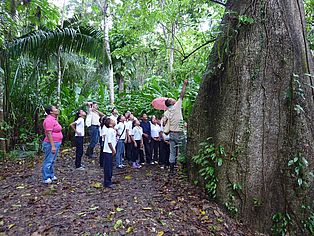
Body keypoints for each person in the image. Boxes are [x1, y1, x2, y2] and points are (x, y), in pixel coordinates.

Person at [163, 79, 188, 174]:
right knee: (183, 151)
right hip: (179, 133)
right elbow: (182, 95)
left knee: (172, 152)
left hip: (172, 134)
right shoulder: (177, 106)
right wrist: (184, 85)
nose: (174, 99)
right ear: (171, 103)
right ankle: (184, 169)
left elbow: (164, 123)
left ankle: (172, 170)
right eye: (172, 99)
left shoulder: (166, 112)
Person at [42, 105, 63, 184]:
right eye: (55, 108)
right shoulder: (49, 120)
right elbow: (49, 133)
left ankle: (51, 175)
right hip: (50, 143)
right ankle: (46, 177)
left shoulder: (54, 119)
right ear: (51, 111)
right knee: (48, 160)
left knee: (52, 160)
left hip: (56, 142)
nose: (57, 109)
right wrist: (53, 145)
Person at [103, 117, 116, 188]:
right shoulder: (110, 131)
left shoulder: (112, 130)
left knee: (110, 166)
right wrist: (113, 150)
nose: (114, 121)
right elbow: (109, 142)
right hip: (108, 151)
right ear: (110, 124)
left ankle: (109, 179)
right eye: (112, 121)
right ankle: (107, 182)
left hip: (110, 151)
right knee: (107, 167)